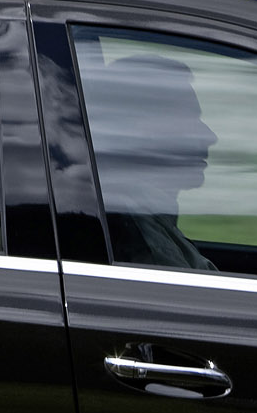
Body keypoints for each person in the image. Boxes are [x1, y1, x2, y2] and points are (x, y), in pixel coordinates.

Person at [80, 52, 221, 270]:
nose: (210, 136)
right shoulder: (144, 246)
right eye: (189, 119)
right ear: (143, 134)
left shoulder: (148, 219)